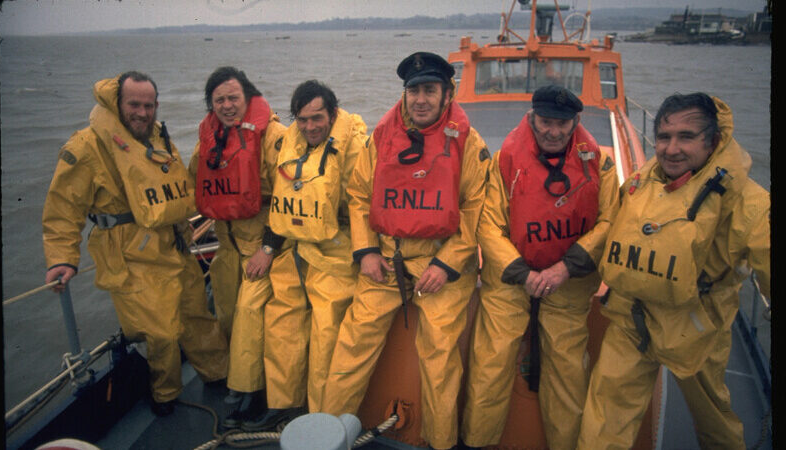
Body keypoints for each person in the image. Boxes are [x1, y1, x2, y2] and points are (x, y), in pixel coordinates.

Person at [577, 92, 770, 449]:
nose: (671, 148)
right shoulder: (641, 180)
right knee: (604, 421)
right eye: (664, 137)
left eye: (686, 137)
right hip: (632, 319)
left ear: (712, 141)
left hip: (697, 328)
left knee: (715, 420)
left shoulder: (748, 201)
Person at [320, 52, 491, 450]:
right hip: (386, 258)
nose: (420, 99)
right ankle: (327, 434)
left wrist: (446, 265)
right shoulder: (381, 135)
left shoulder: (469, 142)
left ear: (447, 94)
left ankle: (441, 442)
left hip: (440, 264)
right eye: (414, 90)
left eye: (429, 90)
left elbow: (474, 208)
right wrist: (365, 251)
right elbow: (359, 194)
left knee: (441, 358)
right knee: (351, 345)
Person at [42, 71, 228, 416]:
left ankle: (218, 376)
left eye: (148, 105)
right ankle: (165, 395)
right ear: (117, 104)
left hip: (174, 244)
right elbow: (63, 208)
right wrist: (62, 257)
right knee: (162, 332)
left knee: (197, 315)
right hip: (131, 255)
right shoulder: (85, 147)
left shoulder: (157, 137)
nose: (142, 113)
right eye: (134, 105)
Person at [460, 85, 619, 449]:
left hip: (570, 285)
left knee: (568, 375)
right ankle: (478, 443)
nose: (553, 131)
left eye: (562, 124)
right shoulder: (504, 161)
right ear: (532, 118)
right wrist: (523, 273)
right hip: (510, 284)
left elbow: (610, 220)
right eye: (545, 121)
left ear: (575, 122)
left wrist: (564, 268)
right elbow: (487, 225)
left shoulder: (600, 165)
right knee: (489, 367)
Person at [239, 80, 368, 431]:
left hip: (336, 250)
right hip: (294, 249)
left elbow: (364, 204)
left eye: (317, 118)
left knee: (326, 333)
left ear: (333, 113)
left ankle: (320, 414)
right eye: (303, 119)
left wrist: (369, 254)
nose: (310, 127)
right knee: (282, 326)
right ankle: (283, 404)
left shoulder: (356, 148)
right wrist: (268, 247)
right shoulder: (291, 144)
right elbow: (285, 200)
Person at [188, 66, 287, 427]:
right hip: (226, 245)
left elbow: (291, 195)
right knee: (227, 315)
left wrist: (270, 247)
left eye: (233, 98)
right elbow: (192, 183)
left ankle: (254, 394)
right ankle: (240, 378)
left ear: (248, 98)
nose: (227, 106)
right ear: (210, 105)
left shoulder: (273, 135)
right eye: (219, 100)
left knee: (251, 319)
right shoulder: (209, 139)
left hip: (262, 244)